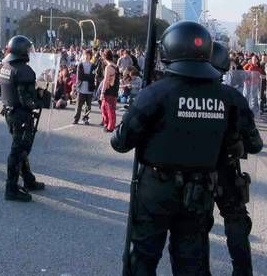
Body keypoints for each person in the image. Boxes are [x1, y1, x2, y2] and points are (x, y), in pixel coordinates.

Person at [110, 21, 250, 275]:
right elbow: (251, 142)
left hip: (156, 190)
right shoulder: (228, 97)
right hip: (199, 193)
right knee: (192, 263)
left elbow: (120, 142)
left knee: (143, 258)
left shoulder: (155, 93)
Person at [210, 42, 263, 275]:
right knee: (237, 222)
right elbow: (255, 144)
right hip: (225, 170)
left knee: (190, 229)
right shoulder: (232, 97)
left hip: (189, 174)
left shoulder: (172, 92)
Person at [0, 35, 45, 202]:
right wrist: (41, 98)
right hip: (21, 115)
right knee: (19, 150)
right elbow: (27, 100)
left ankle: (28, 178)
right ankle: (11, 188)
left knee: (20, 148)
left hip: (9, 113)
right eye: (27, 49)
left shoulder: (6, 66)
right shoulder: (24, 71)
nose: (29, 52)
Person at [73, 49, 95, 125]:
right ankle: (76, 119)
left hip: (89, 88)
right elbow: (80, 77)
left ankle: (85, 119)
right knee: (79, 105)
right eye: (85, 54)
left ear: (90, 56)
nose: (87, 56)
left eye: (88, 55)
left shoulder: (93, 65)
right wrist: (88, 77)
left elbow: (93, 77)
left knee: (88, 106)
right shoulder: (80, 64)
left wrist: (86, 76)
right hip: (81, 87)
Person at [100, 49, 119, 132]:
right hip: (114, 90)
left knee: (109, 109)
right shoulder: (116, 66)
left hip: (109, 91)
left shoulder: (108, 67)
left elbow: (106, 80)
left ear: (105, 57)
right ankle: (107, 124)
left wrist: (102, 92)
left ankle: (110, 126)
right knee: (104, 107)